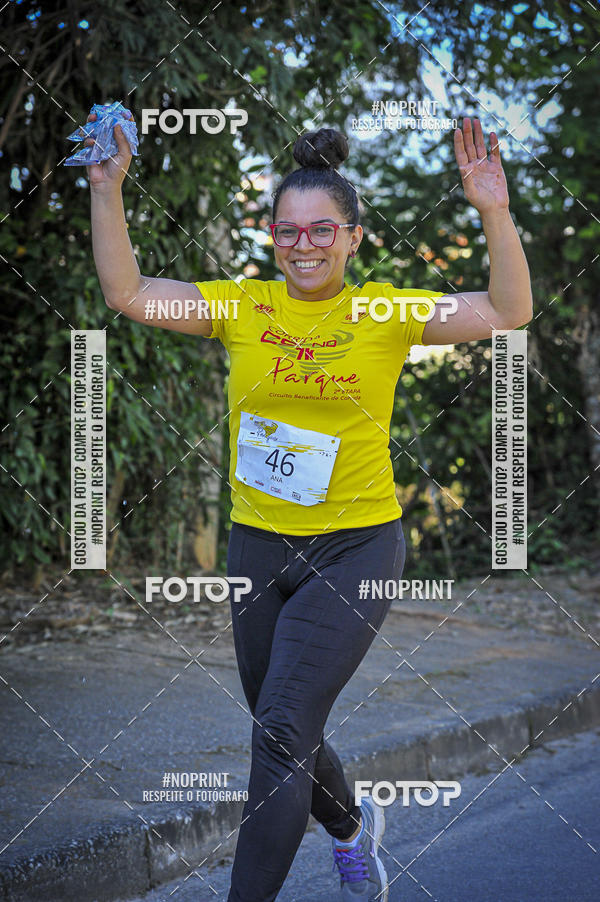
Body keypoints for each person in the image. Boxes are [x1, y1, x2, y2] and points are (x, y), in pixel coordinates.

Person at [88, 111, 533, 901]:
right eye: (287, 233)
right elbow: (126, 292)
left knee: (282, 730)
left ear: (353, 238)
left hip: (355, 549)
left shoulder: (383, 314)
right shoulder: (241, 307)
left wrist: (494, 212)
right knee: (281, 729)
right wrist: (106, 187)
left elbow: (507, 312)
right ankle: (352, 829)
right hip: (257, 546)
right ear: (271, 237)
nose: (304, 247)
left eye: (321, 231)